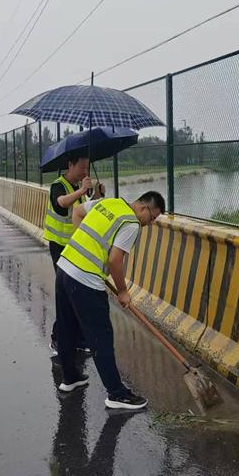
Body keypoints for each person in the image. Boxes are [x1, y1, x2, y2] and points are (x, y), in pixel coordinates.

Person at [55, 191, 165, 409]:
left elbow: (77, 212)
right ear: (144, 208)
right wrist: (123, 291)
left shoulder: (110, 202)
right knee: (101, 337)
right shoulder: (131, 223)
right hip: (85, 280)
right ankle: (117, 394)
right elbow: (115, 261)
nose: (150, 223)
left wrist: (82, 247)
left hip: (65, 267)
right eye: (152, 218)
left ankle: (70, 378)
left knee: (67, 328)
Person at [43, 154, 102, 355]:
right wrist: (83, 191)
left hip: (75, 248)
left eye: (87, 168)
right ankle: (58, 339)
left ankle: (77, 338)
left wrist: (95, 196)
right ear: (70, 165)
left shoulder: (79, 190)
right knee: (67, 294)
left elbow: (84, 212)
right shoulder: (58, 186)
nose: (85, 172)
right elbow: (62, 203)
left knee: (76, 293)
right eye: (82, 167)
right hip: (59, 248)